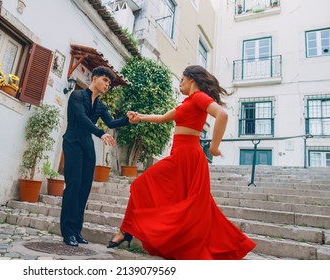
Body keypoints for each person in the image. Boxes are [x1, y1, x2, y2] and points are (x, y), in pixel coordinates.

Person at [107, 65, 256, 259]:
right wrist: (139, 117)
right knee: (177, 201)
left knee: (142, 184)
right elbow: (162, 118)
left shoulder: (199, 97)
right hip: (180, 155)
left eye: (182, 80)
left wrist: (214, 146)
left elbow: (222, 114)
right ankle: (129, 230)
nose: (180, 84)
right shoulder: (189, 102)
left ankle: (126, 230)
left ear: (191, 79)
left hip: (187, 155)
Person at [60, 66, 138, 246]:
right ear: (94, 78)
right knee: (73, 186)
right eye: (105, 80)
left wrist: (128, 119)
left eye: (110, 83)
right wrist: (100, 133)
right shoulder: (77, 96)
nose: (107, 85)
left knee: (84, 187)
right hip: (72, 141)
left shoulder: (101, 105)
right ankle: (68, 232)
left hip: (87, 145)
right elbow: (80, 118)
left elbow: (111, 122)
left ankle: (77, 231)